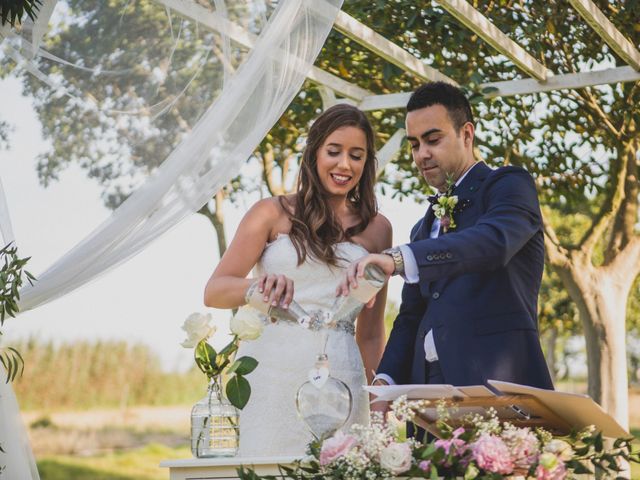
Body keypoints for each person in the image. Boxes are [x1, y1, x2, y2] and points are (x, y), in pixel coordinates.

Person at [340, 82, 553, 413]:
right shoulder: (422, 228)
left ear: (466, 134)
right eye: (414, 144)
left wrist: (397, 259)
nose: (421, 154)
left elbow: (492, 243)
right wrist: (386, 379)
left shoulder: (509, 186)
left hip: (496, 388)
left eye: (432, 139)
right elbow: (411, 316)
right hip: (427, 400)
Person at [204, 104, 391, 456]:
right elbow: (214, 291)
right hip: (272, 370)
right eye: (334, 151)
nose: (344, 165)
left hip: (343, 376)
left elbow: (371, 333)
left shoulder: (378, 229)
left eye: (357, 155)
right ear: (314, 152)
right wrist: (256, 289)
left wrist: (380, 415)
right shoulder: (270, 213)